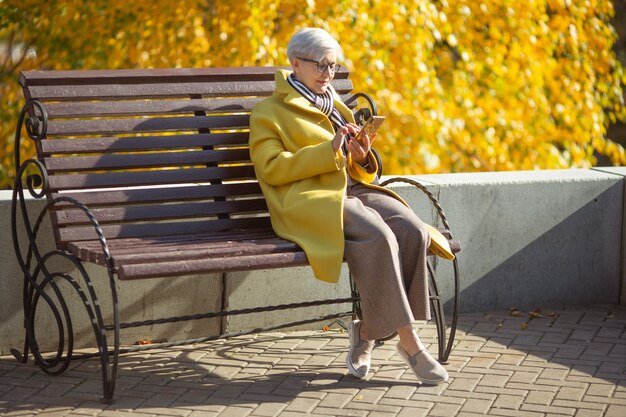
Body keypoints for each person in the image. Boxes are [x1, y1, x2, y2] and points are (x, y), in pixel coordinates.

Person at [249, 27, 449, 385]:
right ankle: (411, 345)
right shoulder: (268, 113)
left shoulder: (335, 104)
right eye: (321, 66)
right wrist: (328, 152)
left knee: (412, 230)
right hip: (311, 200)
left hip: (351, 189)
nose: (328, 74)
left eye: (333, 66)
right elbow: (272, 169)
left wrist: (361, 155)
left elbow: (356, 167)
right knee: (378, 235)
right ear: (295, 63)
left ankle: (368, 334)